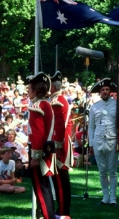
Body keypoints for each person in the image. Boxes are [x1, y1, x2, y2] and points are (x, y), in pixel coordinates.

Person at [88, 78, 119, 206]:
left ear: (110, 91)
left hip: (112, 140)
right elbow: (91, 126)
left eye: (107, 89)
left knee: (113, 170)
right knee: (102, 171)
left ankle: (113, 198)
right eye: (103, 90)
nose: (105, 91)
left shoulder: (118, 105)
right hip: (98, 140)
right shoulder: (94, 107)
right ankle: (105, 197)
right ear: (100, 92)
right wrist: (91, 144)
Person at [26, 71, 57, 219]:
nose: (27, 92)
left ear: (36, 90)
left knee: (41, 189)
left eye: (29, 88)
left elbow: (38, 135)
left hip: (38, 151)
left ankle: (47, 216)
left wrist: (35, 157)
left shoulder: (37, 106)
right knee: (45, 188)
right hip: (47, 150)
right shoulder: (46, 104)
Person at [49, 71, 72, 216]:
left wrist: (56, 147)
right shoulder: (58, 99)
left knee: (60, 180)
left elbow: (59, 126)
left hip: (60, 144)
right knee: (60, 179)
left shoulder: (57, 101)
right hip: (61, 143)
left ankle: (63, 210)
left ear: (52, 88)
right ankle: (62, 208)